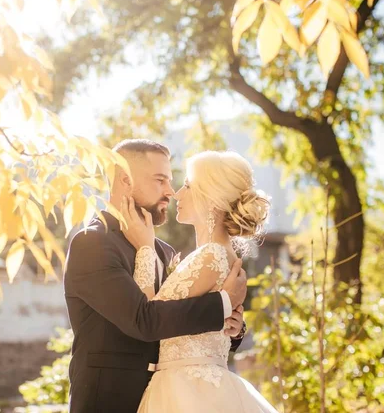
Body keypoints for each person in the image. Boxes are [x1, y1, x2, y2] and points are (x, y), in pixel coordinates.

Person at [64, 140, 248, 413]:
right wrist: (222, 303)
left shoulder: (164, 251)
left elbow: (175, 323)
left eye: (172, 181)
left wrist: (232, 326)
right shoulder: (92, 243)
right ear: (125, 180)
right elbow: (144, 320)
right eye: (160, 180)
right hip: (111, 402)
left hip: (174, 399)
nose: (170, 192)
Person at [121, 150, 278, 412]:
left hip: (187, 390)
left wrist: (145, 248)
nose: (177, 194)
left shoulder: (212, 255)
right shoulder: (215, 256)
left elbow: (149, 316)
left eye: (188, 186)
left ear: (212, 199)